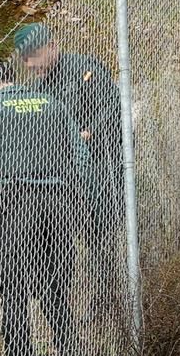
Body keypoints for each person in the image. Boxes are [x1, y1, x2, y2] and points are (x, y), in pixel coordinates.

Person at [0, 58, 91, 356]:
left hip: (16, 206)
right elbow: (80, 157)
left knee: (14, 297)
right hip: (57, 205)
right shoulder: (53, 104)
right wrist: (71, 200)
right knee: (56, 293)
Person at [15, 22, 124, 313]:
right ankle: (80, 297)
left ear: (52, 46)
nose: (29, 63)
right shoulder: (35, 91)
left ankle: (108, 295)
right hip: (66, 177)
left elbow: (112, 108)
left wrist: (87, 134)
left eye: (33, 55)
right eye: (24, 58)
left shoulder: (85, 70)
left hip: (104, 164)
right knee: (83, 235)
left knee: (104, 230)